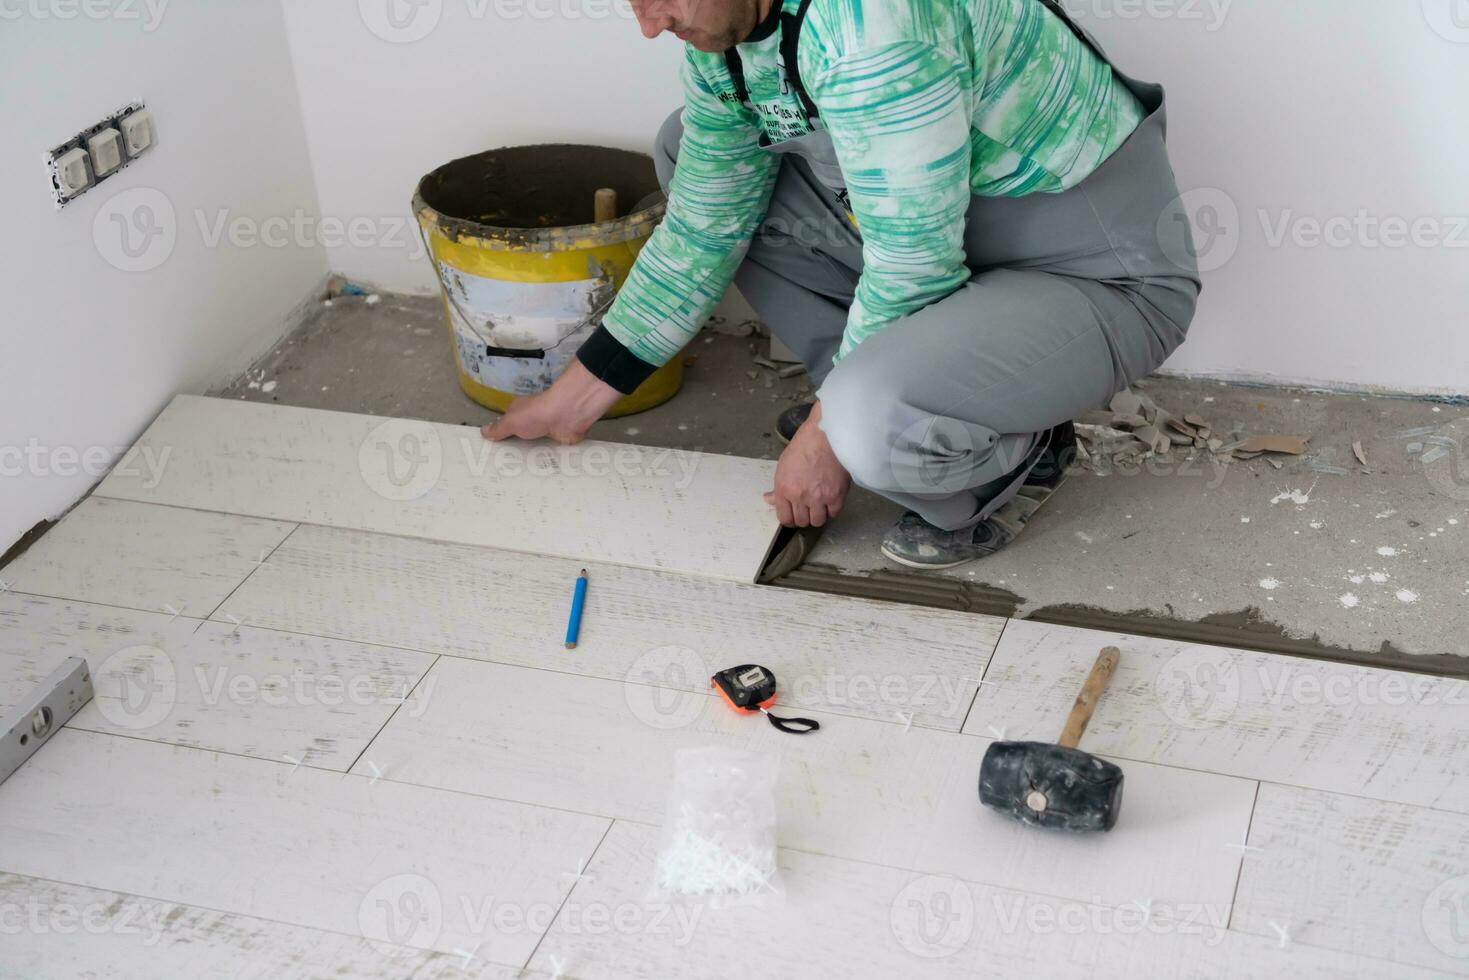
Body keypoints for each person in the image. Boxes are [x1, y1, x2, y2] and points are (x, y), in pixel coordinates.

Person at [483, 0, 1201, 570]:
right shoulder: (729, 41)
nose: (649, 24)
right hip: (950, 241)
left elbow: (912, 261)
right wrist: (574, 398)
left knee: (867, 426)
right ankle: (889, 400)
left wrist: (830, 438)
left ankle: (1001, 457)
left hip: (1093, 275)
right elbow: (705, 225)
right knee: (688, 146)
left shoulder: (876, 27)